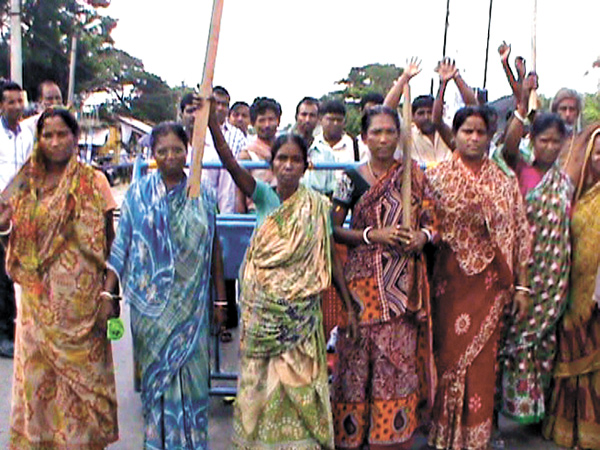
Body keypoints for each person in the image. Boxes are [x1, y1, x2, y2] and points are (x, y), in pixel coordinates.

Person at [200, 94, 357, 449]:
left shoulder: (317, 206)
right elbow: (228, 160)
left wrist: (348, 300)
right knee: (261, 380)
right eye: (282, 159)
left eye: (295, 160)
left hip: (302, 316)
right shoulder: (264, 197)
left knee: (299, 381)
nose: (288, 166)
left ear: (306, 166)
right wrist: (212, 122)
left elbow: (330, 257)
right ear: (272, 163)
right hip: (263, 310)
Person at [104, 121, 226, 449]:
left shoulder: (202, 194)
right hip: (150, 311)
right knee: (157, 384)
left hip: (192, 308)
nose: (170, 156)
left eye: (176, 149)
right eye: (162, 151)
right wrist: (108, 290)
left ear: (187, 151)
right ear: (152, 154)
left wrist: (221, 301)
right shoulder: (139, 193)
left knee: (194, 381)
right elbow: (123, 243)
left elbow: (215, 247)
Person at [3, 107, 118, 449]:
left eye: (62, 134)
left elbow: (109, 242)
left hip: (81, 306)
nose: (55, 142)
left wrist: (107, 294)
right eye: (47, 135)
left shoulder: (94, 181)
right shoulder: (26, 181)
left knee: (84, 389)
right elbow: (5, 223)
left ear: (75, 137)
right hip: (37, 304)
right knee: (39, 386)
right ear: (38, 140)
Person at [426, 106, 532, 450]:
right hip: (449, 283)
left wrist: (522, 287)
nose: (473, 138)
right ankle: (445, 435)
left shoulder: (504, 181)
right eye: (467, 131)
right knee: (449, 359)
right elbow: (424, 228)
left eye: (480, 133)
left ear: (490, 138)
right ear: (454, 135)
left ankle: (476, 438)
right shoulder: (435, 177)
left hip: (491, 285)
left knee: (484, 363)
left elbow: (519, 234)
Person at [331, 105, 434, 449]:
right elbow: (332, 228)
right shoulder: (351, 178)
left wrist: (422, 237)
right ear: (364, 137)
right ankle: (353, 435)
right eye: (376, 132)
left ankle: (391, 437)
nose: (384, 139)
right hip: (360, 289)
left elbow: (434, 221)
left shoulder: (413, 175)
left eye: (391, 132)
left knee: (397, 363)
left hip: (403, 287)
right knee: (356, 364)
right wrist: (371, 235)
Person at [543, 124, 600, 449]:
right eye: (598, 151)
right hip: (572, 290)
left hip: (598, 293)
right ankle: (571, 429)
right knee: (572, 361)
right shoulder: (573, 194)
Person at [0, 81, 34, 358]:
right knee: (1, 275)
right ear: (1, 105)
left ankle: (23, 329)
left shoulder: (28, 135)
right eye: (10, 102)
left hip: (21, 212)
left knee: (21, 271)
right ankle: (4, 334)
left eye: (19, 101)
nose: (16, 106)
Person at [236, 96, 281, 213]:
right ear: (253, 123)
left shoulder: (286, 149)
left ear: (278, 121)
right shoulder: (247, 154)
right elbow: (240, 193)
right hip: (257, 213)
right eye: (261, 120)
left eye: (271, 119)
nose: (267, 125)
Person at [294, 96, 336, 195]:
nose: (307, 120)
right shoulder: (286, 149)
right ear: (296, 117)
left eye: (312, 115)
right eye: (304, 115)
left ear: (318, 119)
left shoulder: (326, 153)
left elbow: (331, 189)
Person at [313, 100, 356, 166]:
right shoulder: (313, 146)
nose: (335, 124)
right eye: (331, 119)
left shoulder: (355, 146)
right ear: (320, 120)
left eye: (339, 120)